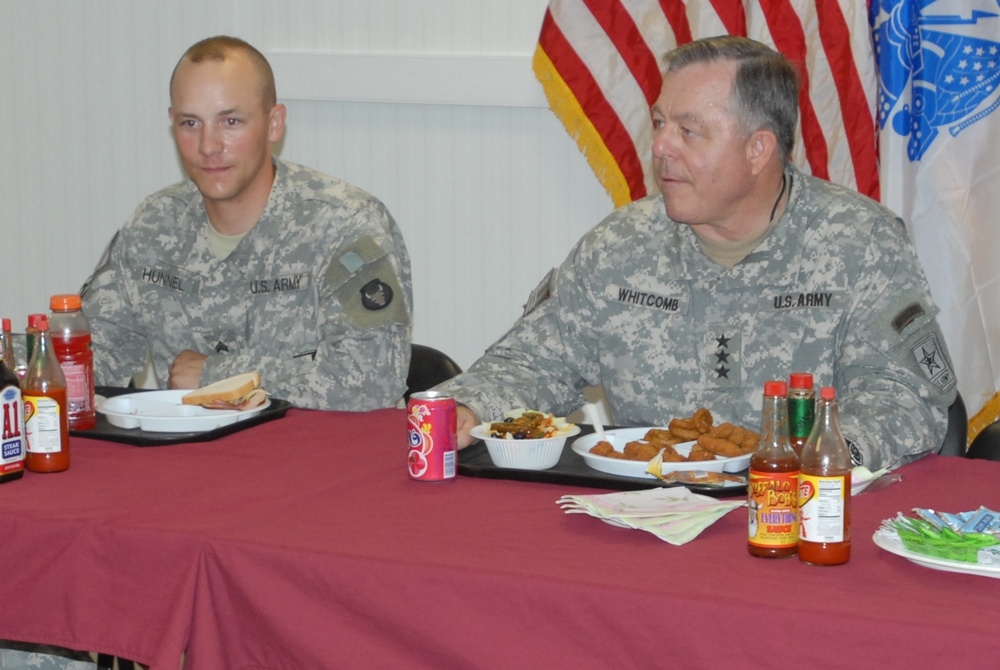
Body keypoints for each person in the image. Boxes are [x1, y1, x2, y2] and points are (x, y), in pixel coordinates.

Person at [435, 35, 957, 470]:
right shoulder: (621, 246)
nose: (661, 146)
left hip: (795, 516)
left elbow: (904, 402)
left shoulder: (860, 243)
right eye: (660, 123)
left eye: (689, 131)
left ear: (757, 149)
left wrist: (806, 460)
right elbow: (531, 361)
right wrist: (470, 406)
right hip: (644, 514)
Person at [81, 36, 412, 411]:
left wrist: (215, 377)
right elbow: (86, 362)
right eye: (191, 123)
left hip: (320, 448)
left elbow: (372, 379)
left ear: (274, 124)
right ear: (172, 123)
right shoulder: (153, 227)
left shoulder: (343, 224)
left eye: (231, 121)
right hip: (189, 448)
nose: (208, 145)